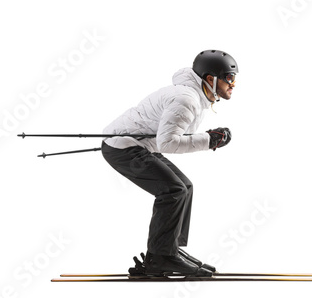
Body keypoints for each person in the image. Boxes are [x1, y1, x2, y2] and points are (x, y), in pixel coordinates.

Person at [101, 50, 238, 277]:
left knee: (185, 187)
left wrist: (209, 138)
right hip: (122, 147)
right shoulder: (187, 99)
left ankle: (169, 249)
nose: (233, 84)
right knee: (172, 191)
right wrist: (209, 140)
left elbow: (168, 137)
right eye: (229, 78)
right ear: (211, 79)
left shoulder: (196, 96)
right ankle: (160, 258)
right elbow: (168, 144)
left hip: (141, 146)